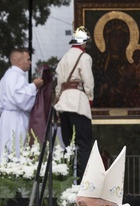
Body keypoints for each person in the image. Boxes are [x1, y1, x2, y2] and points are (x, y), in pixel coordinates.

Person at [54, 26, 95, 178]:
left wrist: (58, 101)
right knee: (83, 144)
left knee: (68, 145)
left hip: (63, 103)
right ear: (84, 43)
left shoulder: (63, 58)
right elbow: (88, 81)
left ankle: (69, 179)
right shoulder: (84, 57)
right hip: (78, 102)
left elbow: (58, 85)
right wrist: (90, 98)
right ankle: (84, 180)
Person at [0, 48, 43, 162]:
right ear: (19, 61)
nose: (30, 62)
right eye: (28, 59)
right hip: (15, 118)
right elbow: (19, 97)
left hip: (8, 116)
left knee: (9, 148)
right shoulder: (14, 76)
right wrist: (34, 86)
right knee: (16, 148)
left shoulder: (9, 75)